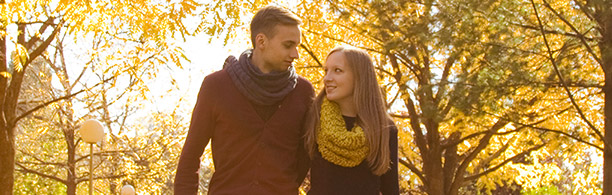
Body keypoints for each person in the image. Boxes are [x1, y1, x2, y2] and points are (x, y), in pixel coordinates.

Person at [174, 5, 314, 194]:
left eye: (296, 46)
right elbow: (190, 157)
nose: (295, 54)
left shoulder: (303, 92)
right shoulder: (216, 85)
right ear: (261, 41)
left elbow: (305, 157)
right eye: (288, 45)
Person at [304, 46, 399, 195]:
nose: (327, 78)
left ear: (360, 76)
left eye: (337, 70)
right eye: (326, 70)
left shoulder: (384, 128)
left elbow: (391, 190)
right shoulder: (314, 118)